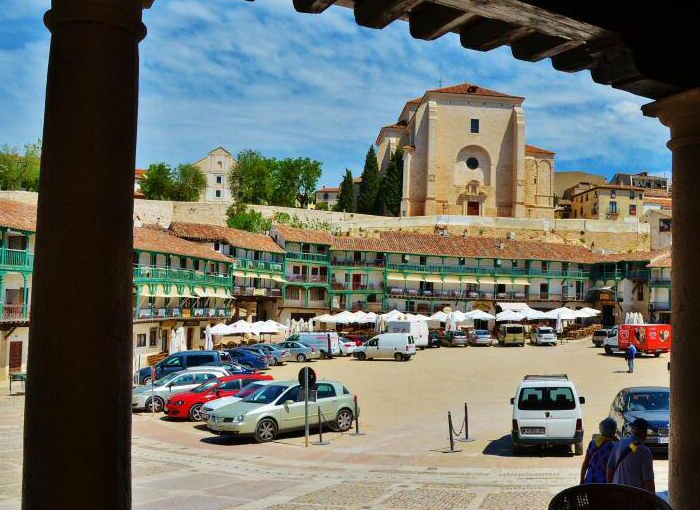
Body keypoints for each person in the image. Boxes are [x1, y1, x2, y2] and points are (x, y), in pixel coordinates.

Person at [607, 418, 655, 492]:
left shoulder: (619, 443)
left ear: (632, 431)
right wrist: (653, 500)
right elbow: (648, 480)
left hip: (617, 493)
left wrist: (610, 489)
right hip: (634, 497)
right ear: (644, 432)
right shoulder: (644, 451)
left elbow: (609, 468)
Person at [580, 418, 618, 484]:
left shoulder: (593, 443)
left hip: (590, 481)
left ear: (601, 429)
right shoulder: (614, 446)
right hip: (605, 484)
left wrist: (581, 480)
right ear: (614, 431)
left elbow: (585, 464)